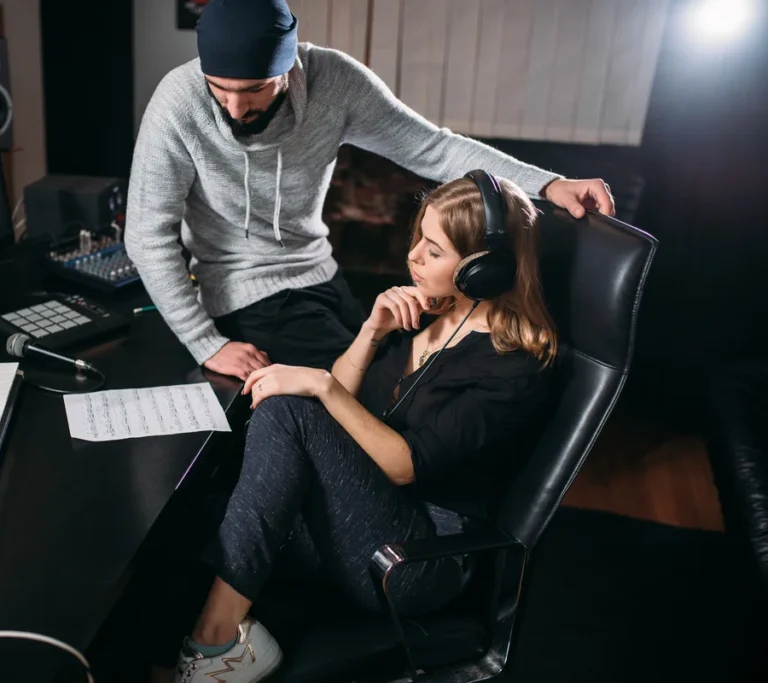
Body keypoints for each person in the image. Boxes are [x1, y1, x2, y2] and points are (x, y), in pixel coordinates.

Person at [161, 172, 557, 682]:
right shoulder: (428, 314)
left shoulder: (513, 363)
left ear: (484, 270)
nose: (413, 255)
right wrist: (371, 333)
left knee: (287, 409)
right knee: (189, 517)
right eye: (419, 238)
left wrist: (320, 385)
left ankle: (217, 644)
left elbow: (404, 465)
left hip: (416, 561)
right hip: (365, 521)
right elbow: (343, 407)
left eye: (434, 250)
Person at [124, 0, 611, 381]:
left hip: (319, 271)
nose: (234, 108)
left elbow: (433, 148)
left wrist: (550, 184)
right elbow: (147, 235)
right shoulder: (178, 102)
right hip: (241, 291)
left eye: (254, 89)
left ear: (289, 66)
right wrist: (206, 343)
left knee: (397, 372)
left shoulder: (334, 81)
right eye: (219, 88)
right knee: (369, 395)